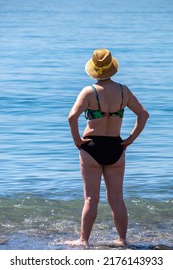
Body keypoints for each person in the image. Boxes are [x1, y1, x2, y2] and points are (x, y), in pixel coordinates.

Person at [68, 48, 149, 247]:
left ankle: (83, 240)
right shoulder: (123, 91)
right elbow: (143, 115)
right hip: (116, 147)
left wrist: (77, 140)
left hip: (91, 148)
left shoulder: (89, 92)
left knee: (90, 199)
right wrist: (130, 139)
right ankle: (122, 240)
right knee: (116, 198)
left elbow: (72, 117)